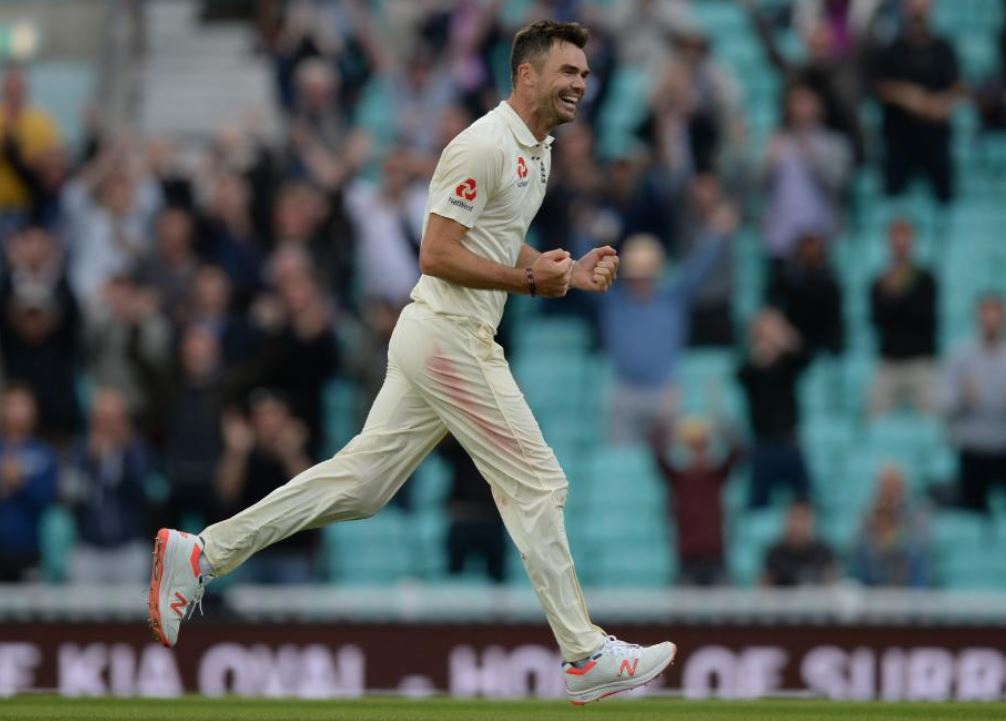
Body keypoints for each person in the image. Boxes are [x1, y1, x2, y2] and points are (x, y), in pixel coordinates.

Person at [147, 21, 675, 705]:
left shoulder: (538, 153)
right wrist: (529, 284)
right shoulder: (482, 144)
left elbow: (497, 241)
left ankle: (202, 553)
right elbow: (437, 251)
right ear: (527, 76)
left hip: (445, 335)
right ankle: (584, 653)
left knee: (363, 486)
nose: (580, 84)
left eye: (583, 73)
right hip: (448, 332)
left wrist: (565, 271)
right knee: (540, 484)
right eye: (567, 72)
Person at [649, 416, 741, 586]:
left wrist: (723, 427)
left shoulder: (715, 477)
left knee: (727, 606)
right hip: (687, 561)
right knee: (681, 607)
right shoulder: (679, 479)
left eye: (703, 448)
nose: (699, 454)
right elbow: (655, 450)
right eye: (693, 449)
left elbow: (737, 450)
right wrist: (668, 424)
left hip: (715, 560)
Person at [942, 294, 1006, 513]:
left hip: (1003, 447)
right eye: (986, 317)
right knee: (972, 511)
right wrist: (964, 399)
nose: (990, 323)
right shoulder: (960, 355)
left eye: (995, 318)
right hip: (972, 450)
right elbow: (947, 405)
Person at [868, 218, 938, 416]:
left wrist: (897, 295)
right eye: (895, 237)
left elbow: (924, 318)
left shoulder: (927, 279)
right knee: (872, 416)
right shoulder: (878, 282)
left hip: (921, 361)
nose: (900, 243)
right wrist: (892, 296)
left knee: (935, 418)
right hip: (889, 361)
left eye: (905, 236)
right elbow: (877, 320)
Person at [0, 384, 58, 581]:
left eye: (23, 405)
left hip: (27, 550)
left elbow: (47, 498)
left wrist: (19, 482)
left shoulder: (44, 453)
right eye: (12, 404)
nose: (18, 411)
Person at [851, 464, 931, 588]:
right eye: (886, 486)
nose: (890, 492)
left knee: (916, 554)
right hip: (874, 578)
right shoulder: (868, 515)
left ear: (903, 488)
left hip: (908, 579)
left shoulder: (917, 514)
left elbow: (919, 546)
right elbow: (858, 547)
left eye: (895, 487)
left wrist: (891, 539)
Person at [761, 501, 838, 587]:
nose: (798, 525)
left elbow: (833, 586)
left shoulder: (824, 552)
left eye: (803, 519)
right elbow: (765, 589)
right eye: (794, 518)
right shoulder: (774, 554)